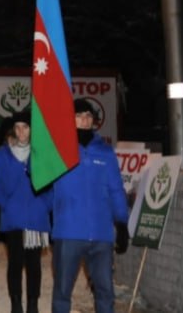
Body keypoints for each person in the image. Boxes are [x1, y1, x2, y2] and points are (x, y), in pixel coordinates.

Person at [50, 99, 129, 313]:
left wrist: (121, 222)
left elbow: (115, 189)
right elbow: (40, 176)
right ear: (70, 119)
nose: (84, 120)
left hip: (101, 234)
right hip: (69, 232)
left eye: (88, 116)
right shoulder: (59, 150)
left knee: (105, 292)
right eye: (79, 115)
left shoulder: (105, 152)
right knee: (62, 292)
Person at [0, 112, 52, 313]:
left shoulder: (41, 153)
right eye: (17, 127)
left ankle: (33, 305)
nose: (21, 132)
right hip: (13, 217)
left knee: (34, 264)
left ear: (32, 129)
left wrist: (45, 204)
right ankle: (16, 304)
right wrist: (6, 204)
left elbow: (52, 184)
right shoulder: (2, 153)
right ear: (12, 130)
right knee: (15, 263)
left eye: (25, 127)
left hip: (36, 216)